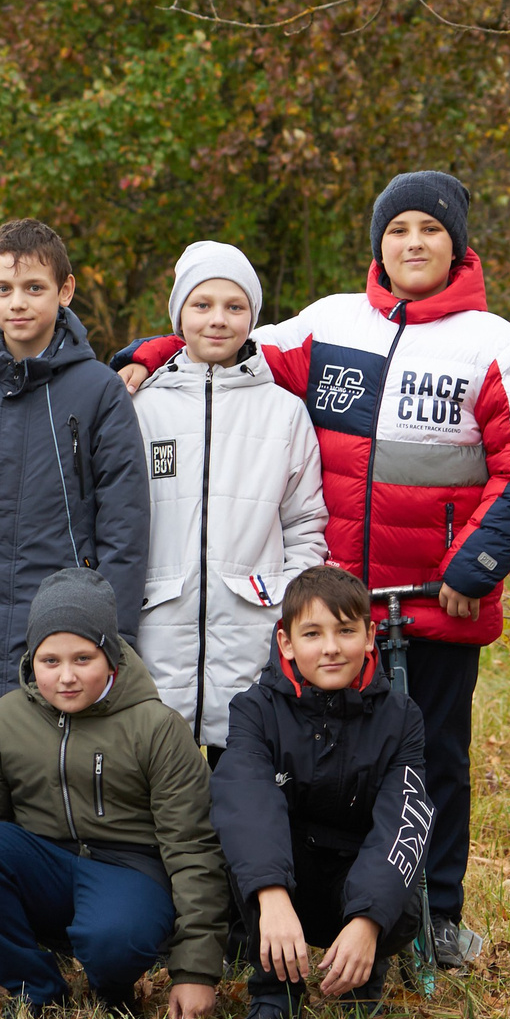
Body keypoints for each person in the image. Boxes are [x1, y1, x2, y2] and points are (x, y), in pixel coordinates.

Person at [119, 172, 510, 967]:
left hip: (435, 601)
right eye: (398, 230)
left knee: (434, 767)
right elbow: (227, 344)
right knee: (324, 767)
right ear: (378, 243)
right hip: (332, 615)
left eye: (430, 229)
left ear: (457, 242)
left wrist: (477, 565)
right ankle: (317, 903)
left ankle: (437, 915)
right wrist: (151, 354)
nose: (413, 243)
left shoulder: (495, 342)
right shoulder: (329, 324)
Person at [0, 569, 227, 1019]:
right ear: (32, 659)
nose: (66, 677)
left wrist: (196, 969)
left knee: (113, 940)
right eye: (50, 661)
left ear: (112, 657)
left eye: (83, 659)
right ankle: (36, 988)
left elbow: (194, 849)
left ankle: (114, 985)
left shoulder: (158, 727)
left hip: (128, 870)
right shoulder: (6, 720)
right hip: (43, 865)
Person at [0, 220, 149, 753]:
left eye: (34, 288)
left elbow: (124, 522)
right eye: (4, 289)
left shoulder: (98, 391)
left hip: (64, 636)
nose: (17, 303)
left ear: (65, 290)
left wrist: (112, 631)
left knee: (58, 794)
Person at [212, 566, 432, 1019]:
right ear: (286, 643)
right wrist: (271, 895)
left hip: (354, 875)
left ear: (371, 636)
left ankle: (359, 980)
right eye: (312, 633)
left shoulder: (401, 717)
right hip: (291, 874)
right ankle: (275, 992)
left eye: (346, 631)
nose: (331, 648)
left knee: (400, 900)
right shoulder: (254, 709)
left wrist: (369, 920)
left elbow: (403, 821)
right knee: (247, 860)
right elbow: (245, 802)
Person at [127, 242, 327, 759]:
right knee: (156, 788)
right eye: (202, 305)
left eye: (235, 307)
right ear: (178, 316)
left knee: (240, 786)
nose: (218, 320)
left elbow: (306, 523)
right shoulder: (139, 407)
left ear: (252, 318)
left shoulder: (285, 413)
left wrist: (284, 599)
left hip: (253, 630)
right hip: (156, 628)